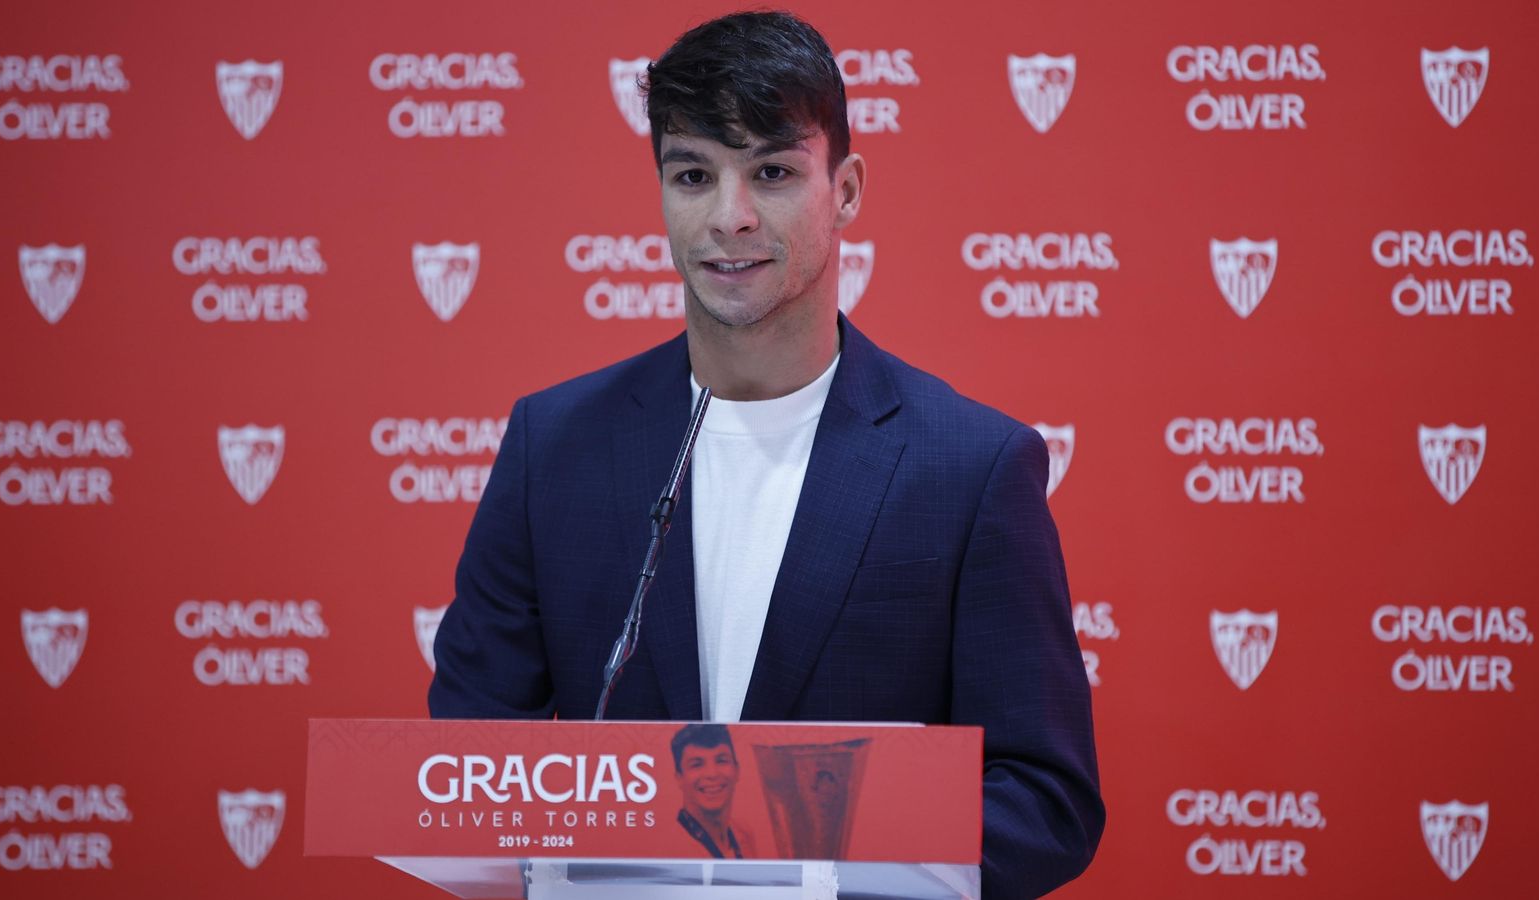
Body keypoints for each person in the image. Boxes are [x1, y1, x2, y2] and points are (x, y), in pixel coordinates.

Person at [430, 11, 1104, 897]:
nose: (728, 217)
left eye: (773, 171)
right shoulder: (551, 447)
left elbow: (1046, 801)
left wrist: (815, 860)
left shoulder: (972, 466)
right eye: (694, 174)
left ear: (848, 189)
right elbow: (466, 771)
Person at [670, 723, 756, 859]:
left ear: (737, 770)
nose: (712, 773)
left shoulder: (745, 835)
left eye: (721, 761)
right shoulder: (670, 848)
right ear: (679, 778)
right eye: (696, 764)